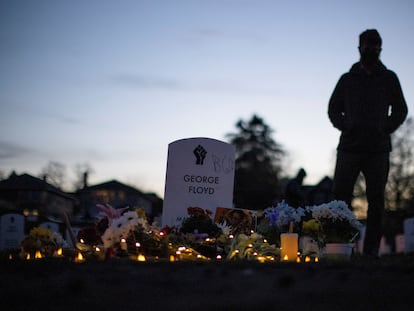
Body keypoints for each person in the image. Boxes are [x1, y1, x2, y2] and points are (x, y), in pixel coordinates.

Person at [328, 29, 408, 258]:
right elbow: (333, 109)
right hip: (349, 148)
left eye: (374, 45)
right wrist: (346, 126)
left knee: (376, 201)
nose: (370, 49)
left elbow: (401, 109)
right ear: (359, 47)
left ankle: (371, 252)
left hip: (377, 149)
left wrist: (385, 127)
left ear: (379, 48)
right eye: (366, 45)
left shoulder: (389, 78)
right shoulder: (347, 79)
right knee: (340, 199)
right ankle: (340, 249)